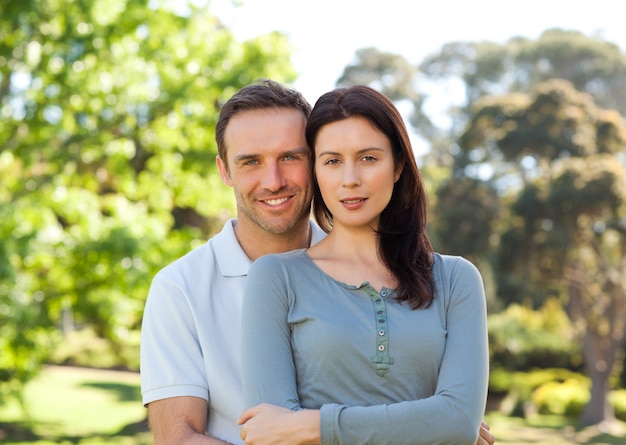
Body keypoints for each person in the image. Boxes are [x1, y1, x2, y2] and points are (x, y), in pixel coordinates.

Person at [140, 79, 495, 445]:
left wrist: (311, 427)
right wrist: (422, 431)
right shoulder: (181, 288)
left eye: (290, 157)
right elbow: (181, 440)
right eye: (251, 162)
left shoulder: (450, 277)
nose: (273, 180)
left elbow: (454, 422)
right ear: (224, 171)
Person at [239, 85, 490, 445]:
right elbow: (271, 434)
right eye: (332, 161)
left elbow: (457, 422)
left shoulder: (457, 280)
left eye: (369, 158)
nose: (350, 178)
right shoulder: (276, 278)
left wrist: (314, 427)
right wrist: (426, 425)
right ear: (316, 172)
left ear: (399, 165)